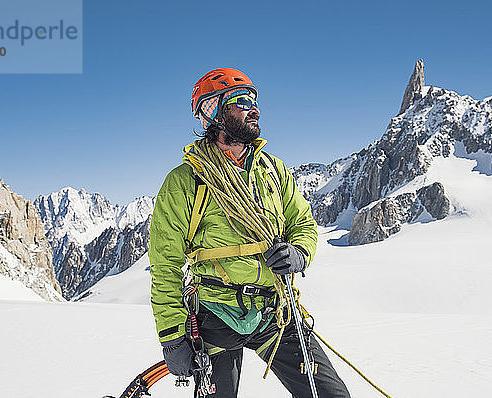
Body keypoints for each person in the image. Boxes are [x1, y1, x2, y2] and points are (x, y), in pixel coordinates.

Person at [148, 67, 350, 397]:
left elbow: (302, 223)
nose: (253, 108)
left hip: (275, 311)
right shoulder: (184, 182)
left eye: (254, 99)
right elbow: (165, 264)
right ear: (211, 112)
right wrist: (172, 333)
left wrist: (298, 252)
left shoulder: (273, 170)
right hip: (215, 314)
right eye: (241, 101)